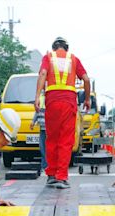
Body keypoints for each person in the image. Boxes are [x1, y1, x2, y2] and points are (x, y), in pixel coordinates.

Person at [35, 37, 91, 189]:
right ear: (66, 48)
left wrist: (37, 97)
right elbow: (86, 79)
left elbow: (42, 74)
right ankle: (62, 177)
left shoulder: (48, 57)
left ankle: (51, 176)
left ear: (54, 48)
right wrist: (87, 99)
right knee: (65, 140)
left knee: (51, 139)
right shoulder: (73, 59)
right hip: (68, 102)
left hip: (52, 101)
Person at [30, 90, 47, 170]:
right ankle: (44, 165)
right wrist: (33, 121)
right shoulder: (41, 97)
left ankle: (48, 165)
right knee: (42, 147)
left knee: (48, 147)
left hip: (50, 128)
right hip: (42, 128)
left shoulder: (52, 97)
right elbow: (37, 111)